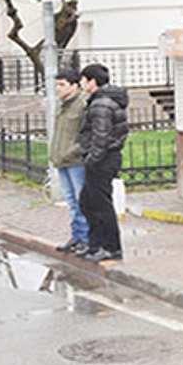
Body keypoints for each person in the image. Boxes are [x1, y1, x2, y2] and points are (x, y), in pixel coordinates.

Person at [77, 63, 129, 262]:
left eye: (83, 80)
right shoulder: (101, 101)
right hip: (102, 157)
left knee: (101, 204)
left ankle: (111, 247)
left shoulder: (101, 104)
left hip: (103, 159)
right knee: (88, 202)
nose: (81, 84)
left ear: (92, 81)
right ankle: (95, 244)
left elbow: (101, 135)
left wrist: (92, 159)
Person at [52, 69, 90, 254]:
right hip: (62, 160)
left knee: (81, 200)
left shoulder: (82, 104)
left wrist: (73, 151)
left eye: (62, 84)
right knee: (71, 201)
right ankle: (77, 237)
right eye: (57, 84)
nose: (58, 88)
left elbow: (86, 135)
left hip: (76, 160)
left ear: (74, 86)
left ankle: (85, 239)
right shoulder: (62, 105)